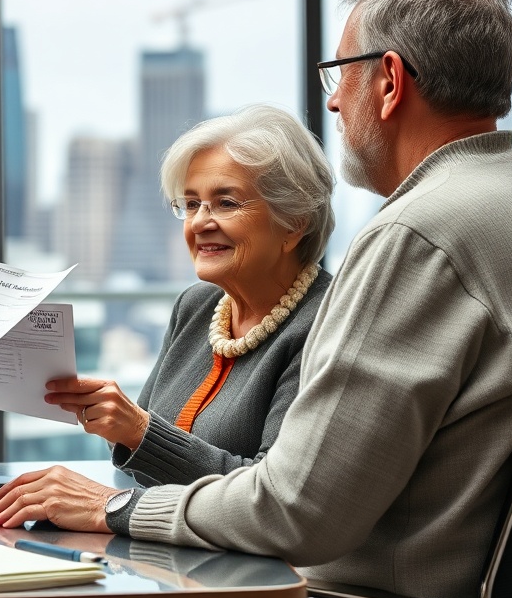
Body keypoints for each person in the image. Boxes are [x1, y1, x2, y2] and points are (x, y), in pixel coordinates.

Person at [0, 0, 512, 598]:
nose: (331, 100)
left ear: (387, 82)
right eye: (190, 204)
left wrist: (112, 509)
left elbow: (297, 510)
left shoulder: (418, 232)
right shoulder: (501, 204)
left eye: (339, 73)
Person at [44, 105, 333, 487]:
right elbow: (135, 463)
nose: (198, 223)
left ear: (295, 222)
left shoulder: (328, 322)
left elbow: (273, 494)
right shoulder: (197, 306)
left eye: (226, 203)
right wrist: (114, 419)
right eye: (192, 203)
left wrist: (138, 431)